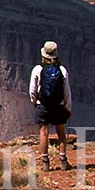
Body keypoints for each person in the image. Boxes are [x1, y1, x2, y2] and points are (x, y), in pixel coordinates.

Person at [29, 40, 72, 170]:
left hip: (43, 105)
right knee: (61, 133)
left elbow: (32, 90)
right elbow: (67, 91)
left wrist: (35, 102)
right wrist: (68, 107)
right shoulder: (62, 70)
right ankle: (63, 161)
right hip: (58, 105)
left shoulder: (38, 69)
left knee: (44, 133)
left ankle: (45, 163)